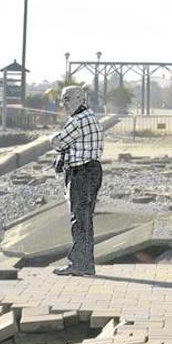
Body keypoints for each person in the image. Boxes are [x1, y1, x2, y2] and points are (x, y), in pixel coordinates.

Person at [50, 86, 104, 276]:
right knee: (85, 219)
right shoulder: (90, 116)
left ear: (78, 98)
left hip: (81, 173)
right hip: (93, 170)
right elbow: (70, 144)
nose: (63, 104)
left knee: (79, 220)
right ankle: (86, 264)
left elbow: (58, 141)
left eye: (66, 99)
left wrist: (54, 140)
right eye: (63, 99)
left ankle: (79, 264)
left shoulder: (77, 121)